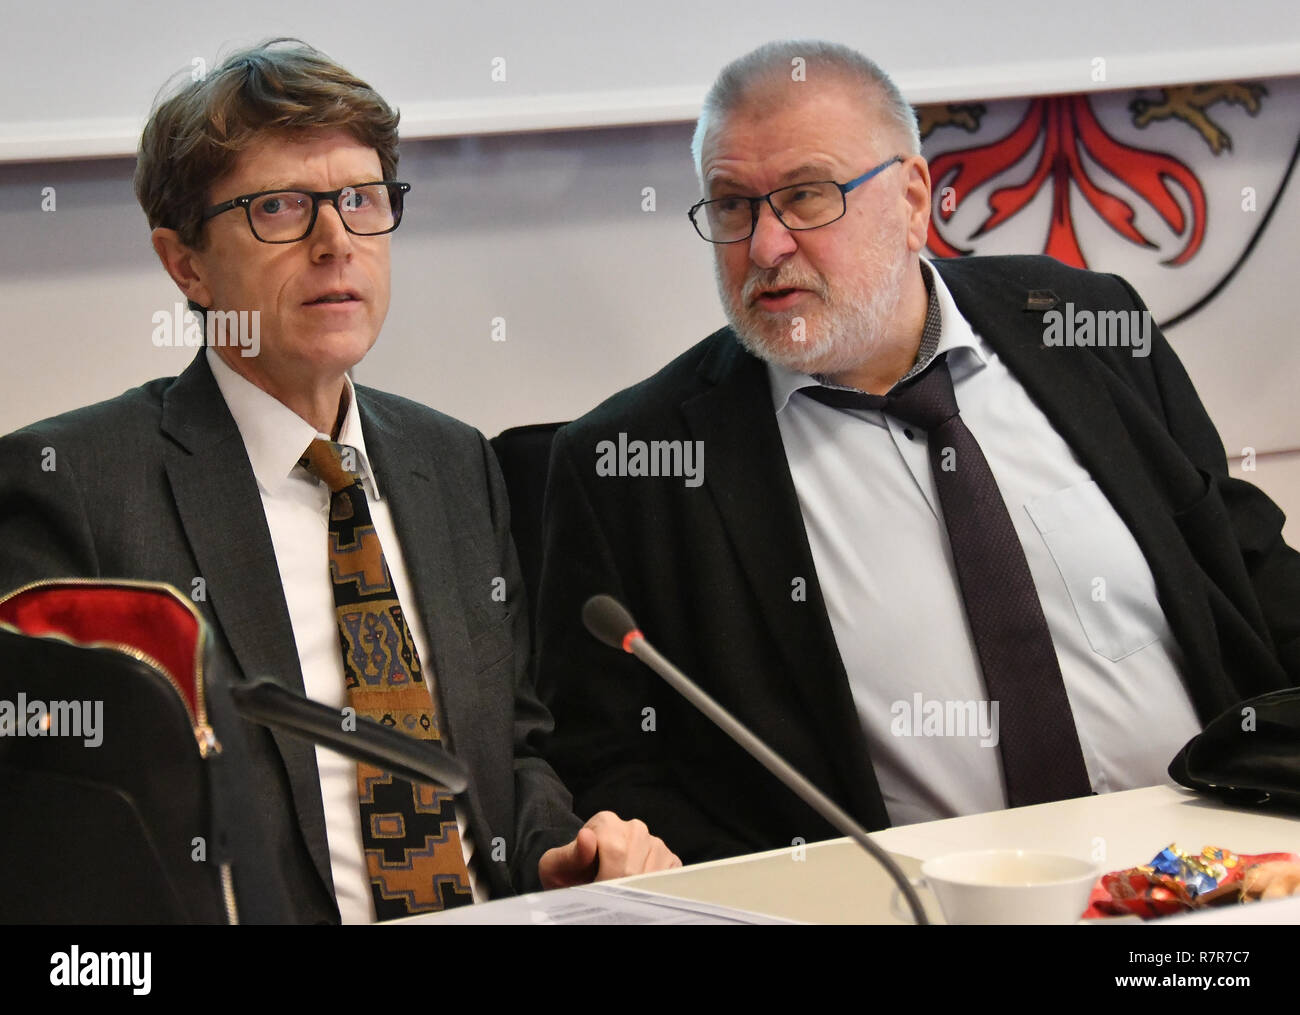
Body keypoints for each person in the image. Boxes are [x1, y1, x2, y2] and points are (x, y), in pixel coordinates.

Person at [534, 40, 1300, 865]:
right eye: (731, 206)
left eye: (806, 196)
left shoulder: (1085, 323)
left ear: (911, 199)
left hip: (1222, 872)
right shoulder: (633, 460)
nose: (764, 246)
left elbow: (1249, 572)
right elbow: (612, 763)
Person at [0, 39, 677, 923]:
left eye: (361, 200)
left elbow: (511, 749)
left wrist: (560, 853)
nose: (335, 242)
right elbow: (65, 841)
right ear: (185, 264)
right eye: (280, 207)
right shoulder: (76, 491)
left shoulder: (455, 463)